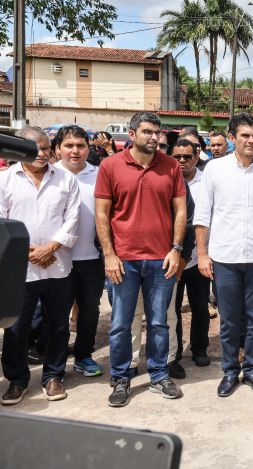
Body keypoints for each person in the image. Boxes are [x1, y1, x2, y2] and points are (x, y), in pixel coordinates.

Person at [195, 113, 253, 397]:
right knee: (229, 320)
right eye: (245, 135)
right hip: (224, 257)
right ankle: (228, 371)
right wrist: (202, 254)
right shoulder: (215, 169)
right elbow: (202, 215)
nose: (251, 141)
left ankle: (252, 369)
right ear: (232, 137)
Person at [95, 111, 187, 407]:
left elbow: (181, 211)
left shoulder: (171, 166)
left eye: (157, 132)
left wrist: (176, 249)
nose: (154, 137)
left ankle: (159, 375)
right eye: (147, 131)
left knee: (159, 322)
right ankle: (121, 377)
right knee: (121, 323)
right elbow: (101, 214)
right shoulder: (110, 166)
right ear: (131, 134)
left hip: (162, 260)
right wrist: (109, 254)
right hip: (124, 260)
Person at [0, 126, 80, 405]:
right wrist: (30, 250)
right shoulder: (5, 180)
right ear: (20, 149)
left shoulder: (66, 180)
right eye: (36, 148)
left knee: (57, 325)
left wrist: (51, 247)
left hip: (58, 265)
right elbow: (1, 222)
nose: (43, 153)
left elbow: (72, 219)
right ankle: (16, 379)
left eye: (47, 148)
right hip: (20, 269)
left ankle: (53, 375)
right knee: (16, 328)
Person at [54, 126, 105, 377]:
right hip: (56, 259)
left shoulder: (100, 175)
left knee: (90, 310)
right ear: (57, 149)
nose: (75, 151)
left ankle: (84, 356)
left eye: (80, 145)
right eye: (69, 145)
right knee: (57, 314)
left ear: (89, 148)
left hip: (91, 258)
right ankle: (56, 363)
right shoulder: (51, 175)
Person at [172, 138, 211, 367]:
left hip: (200, 256)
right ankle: (174, 352)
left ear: (197, 157)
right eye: (177, 157)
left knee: (199, 306)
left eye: (187, 156)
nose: (182, 161)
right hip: (173, 256)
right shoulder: (166, 179)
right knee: (172, 309)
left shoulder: (207, 181)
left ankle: (199, 349)